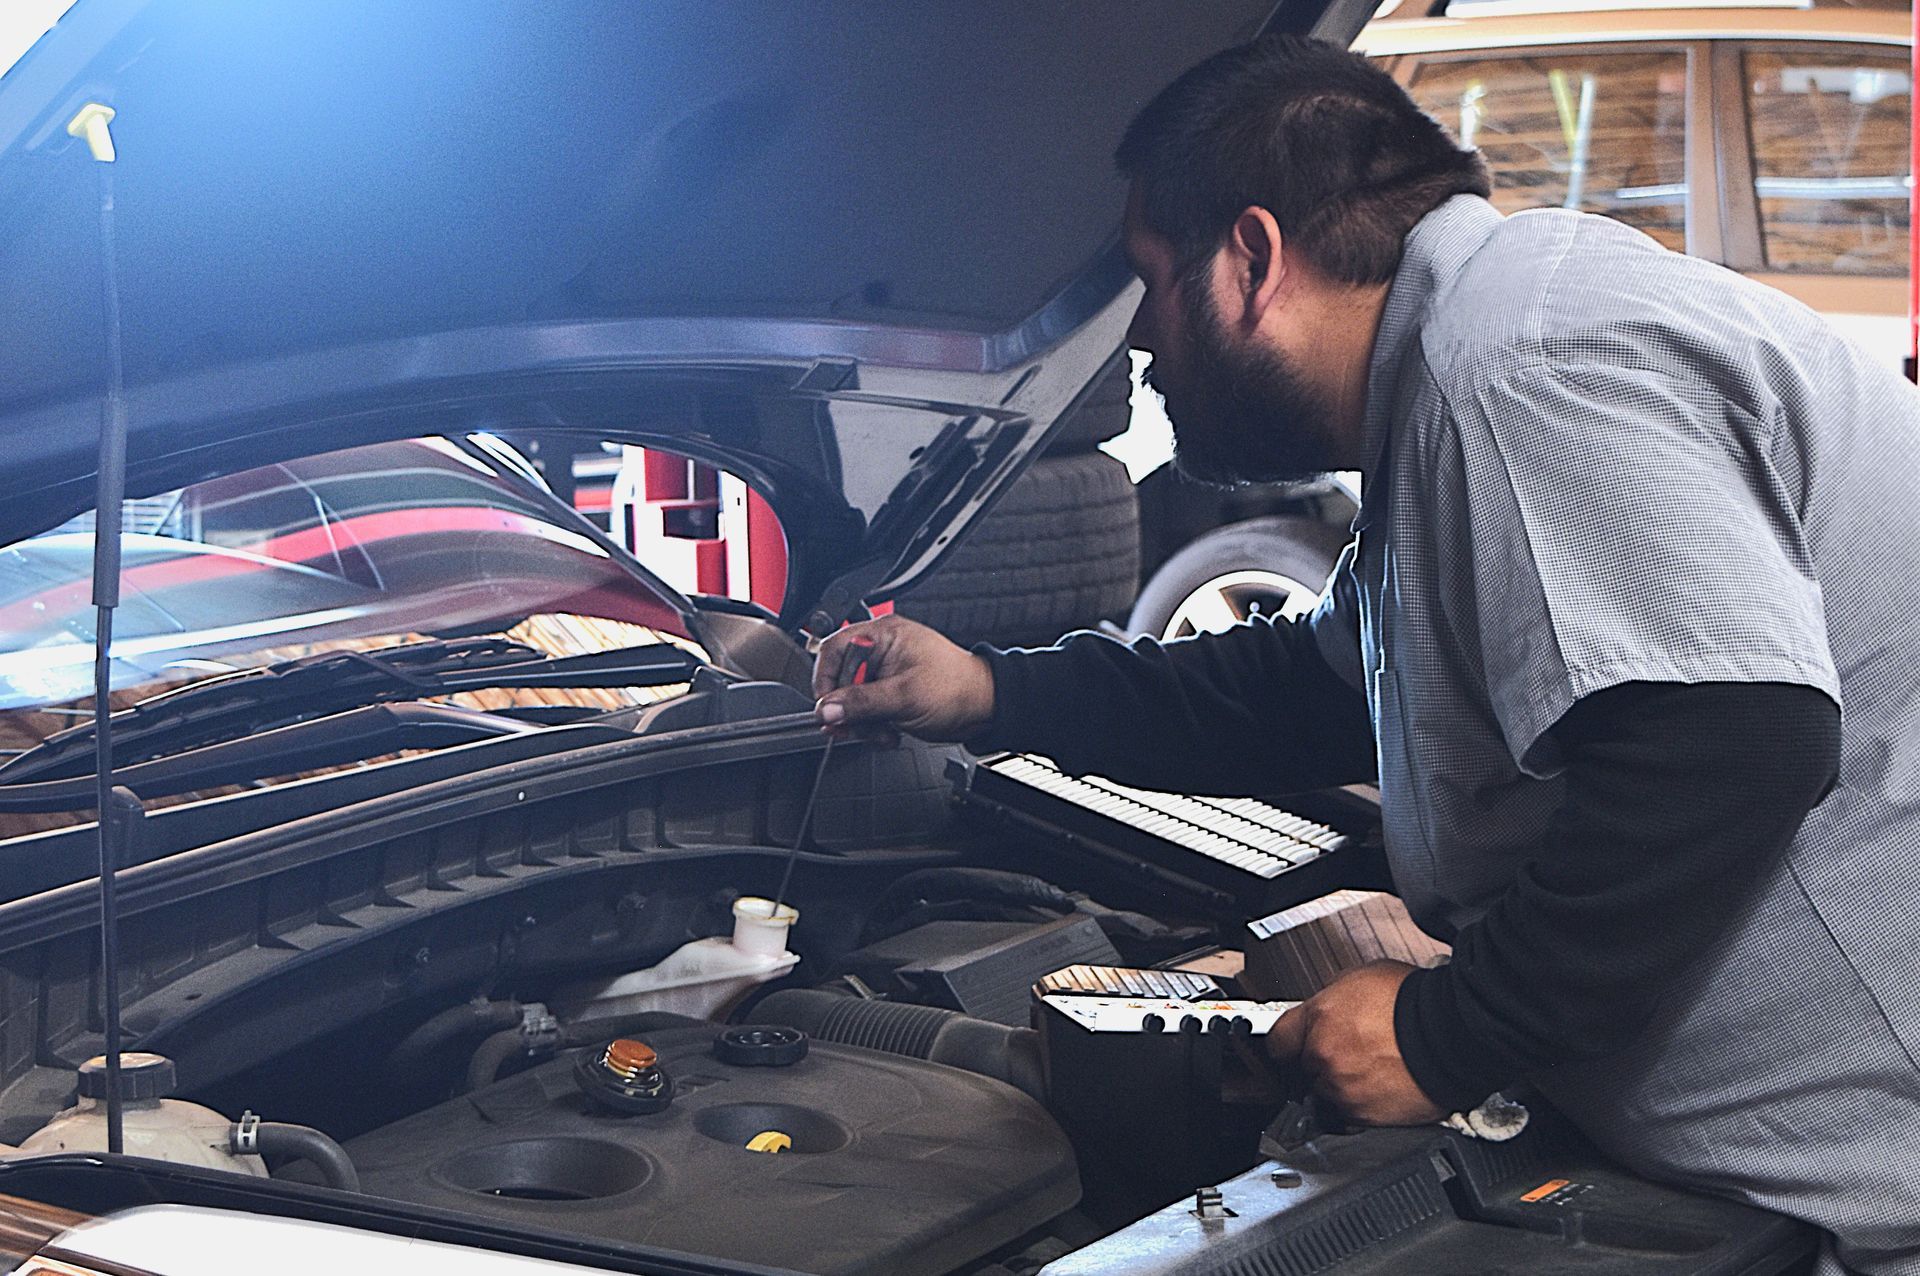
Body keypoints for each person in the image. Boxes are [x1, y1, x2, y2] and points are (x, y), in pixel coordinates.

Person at [810, 32, 1920, 1276]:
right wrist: (992, 689)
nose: (1139, 350)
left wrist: (1451, 1034)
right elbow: (1311, 689)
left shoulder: (1521, 362)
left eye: (1150, 282)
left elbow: (1730, 739)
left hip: (1870, 1185)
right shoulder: (1463, 374)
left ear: (1252, 260)